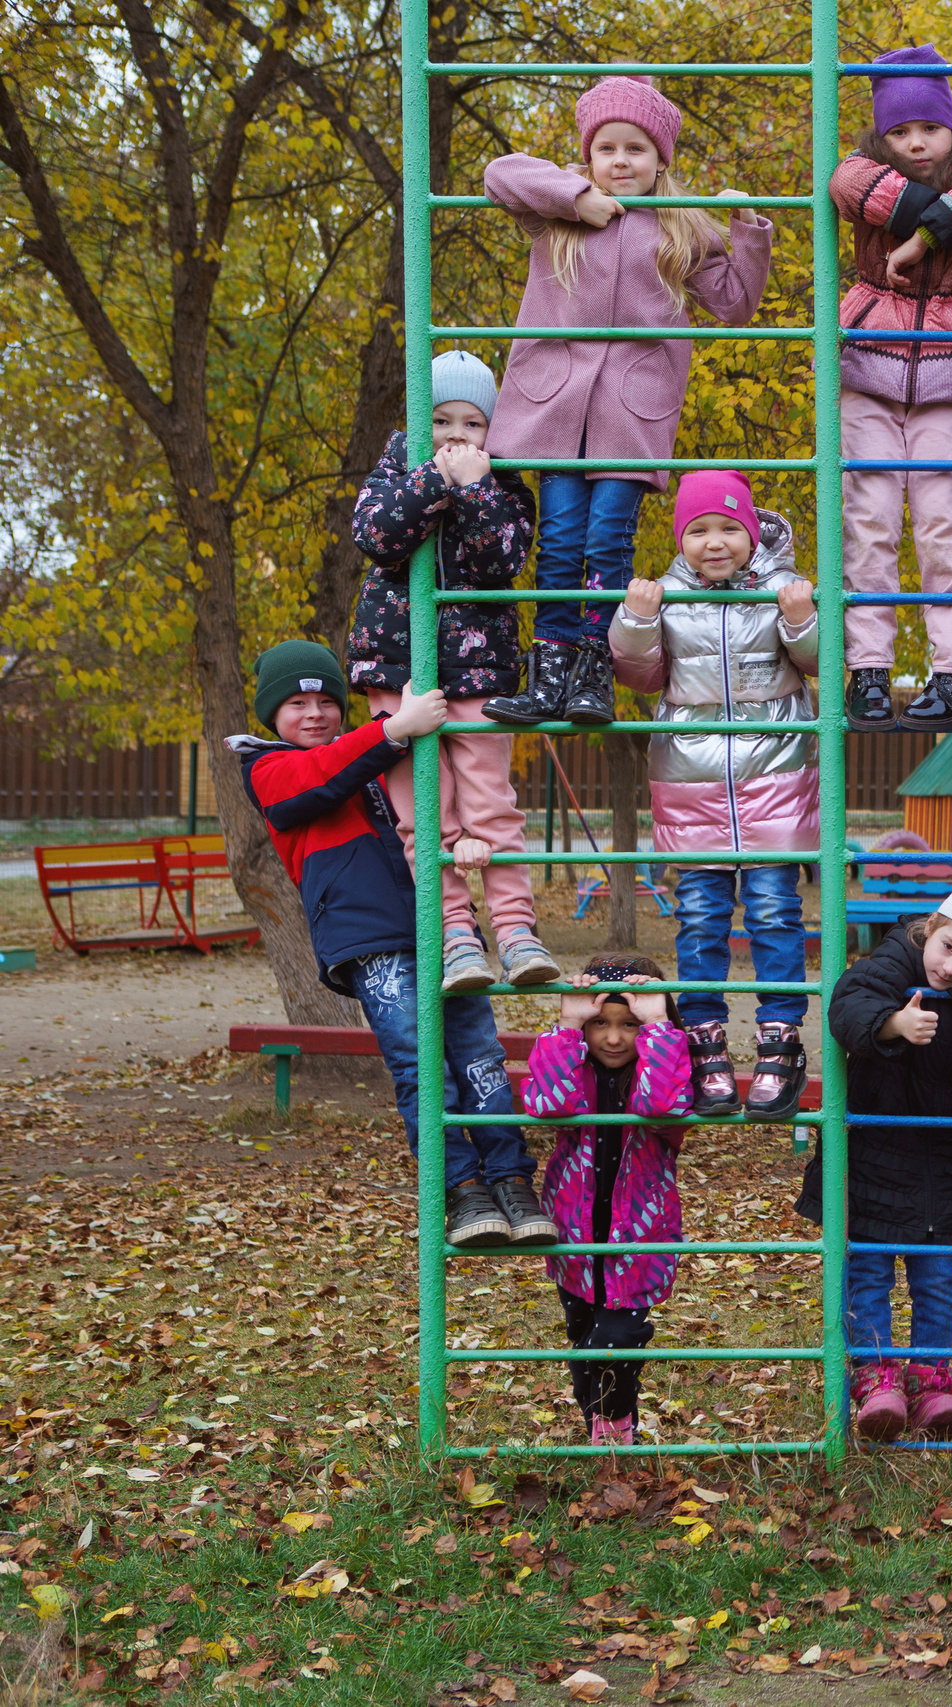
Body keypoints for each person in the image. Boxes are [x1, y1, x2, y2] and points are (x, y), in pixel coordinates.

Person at [479, 73, 774, 727]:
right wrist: (578, 197)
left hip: (629, 415)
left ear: (660, 160)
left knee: (606, 541)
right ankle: (548, 669)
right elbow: (500, 173)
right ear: (588, 156)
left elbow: (735, 303)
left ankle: (593, 672)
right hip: (555, 409)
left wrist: (748, 225)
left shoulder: (677, 227)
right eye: (606, 148)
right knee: (557, 542)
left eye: (635, 149)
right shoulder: (559, 212)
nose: (620, 161)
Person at [232, 641, 546, 1249]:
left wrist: (467, 846)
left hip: (443, 929)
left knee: (479, 1055)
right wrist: (393, 729)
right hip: (369, 939)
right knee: (420, 1061)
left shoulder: (386, 759)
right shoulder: (266, 769)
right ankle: (460, 1188)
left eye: (326, 700)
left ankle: (511, 1179)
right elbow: (315, 784)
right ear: (271, 714)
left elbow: (436, 813)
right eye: (296, 703)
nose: (315, 713)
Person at [800, 865, 952, 1442]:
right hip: (875, 1159)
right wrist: (892, 1023)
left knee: (936, 1278)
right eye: (949, 947)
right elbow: (846, 1005)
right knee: (868, 1273)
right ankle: (876, 1379)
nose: (950, 968)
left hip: (943, 1163)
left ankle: (933, 1382)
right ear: (934, 925)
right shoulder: (895, 961)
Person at [609, 472, 820, 1118]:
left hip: (774, 777)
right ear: (681, 538)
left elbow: (817, 660)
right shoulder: (666, 594)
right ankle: (705, 1042)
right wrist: (638, 621)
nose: (715, 541)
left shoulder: (781, 586)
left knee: (775, 913)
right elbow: (641, 677)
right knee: (699, 917)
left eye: (729, 527)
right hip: (692, 783)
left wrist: (801, 618)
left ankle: (780, 1039)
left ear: (752, 533)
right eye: (698, 530)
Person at [346, 349, 556, 993]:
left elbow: (502, 561)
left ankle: (517, 931)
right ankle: (455, 935)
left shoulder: (505, 482)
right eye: (441, 421)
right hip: (401, 674)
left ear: (493, 432)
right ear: (418, 423)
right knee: (421, 818)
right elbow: (376, 536)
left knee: (492, 807)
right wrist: (433, 482)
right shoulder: (398, 470)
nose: (456, 436)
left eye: (472, 424)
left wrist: (473, 487)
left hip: (480, 672)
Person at [830, 46, 952, 734]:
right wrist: (925, 218)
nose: (914, 142)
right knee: (870, 518)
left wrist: (917, 237)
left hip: (947, 369)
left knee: (945, 521)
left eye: (928, 130)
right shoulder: (861, 169)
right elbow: (850, 183)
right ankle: (869, 669)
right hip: (870, 365)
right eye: (899, 132)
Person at [526, 955, 694, 1447]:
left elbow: (663, 1107)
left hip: (639, 1238)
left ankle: (617, 1421)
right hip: (574, 1240)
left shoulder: (662, 1070)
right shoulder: (572, 1067)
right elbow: (548, 1104)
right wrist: (568, 1026)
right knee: (584, 1339)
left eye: (631, 1024)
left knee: (615, 1339)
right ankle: (604, 1423)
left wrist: (660, 1027)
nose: (615, 1038)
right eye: (601, 1022)